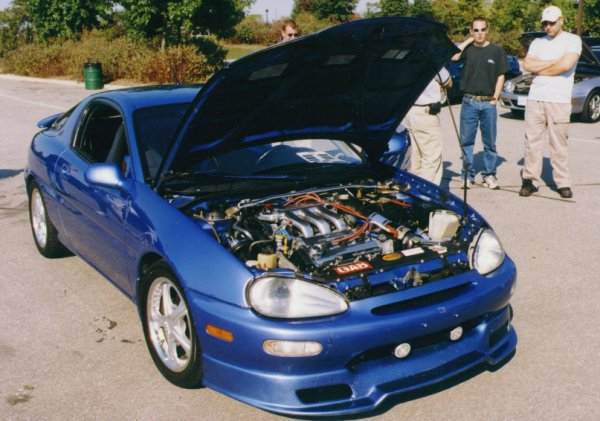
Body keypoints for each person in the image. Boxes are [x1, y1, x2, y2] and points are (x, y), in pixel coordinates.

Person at [519, 5, 581, 199]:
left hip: (559, 100)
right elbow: (527, 64)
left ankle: (562, 182)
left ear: (561, 20)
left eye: (551, 23)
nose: (548, 27)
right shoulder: (538, 42)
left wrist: (540, 69)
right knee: (532, 142)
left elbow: (565, 66)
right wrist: (553, 62)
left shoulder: (573, 40)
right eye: (545, 23)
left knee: (558, 144)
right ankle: (530, 180)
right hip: (535, 98)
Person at [452, 17, 507, 189]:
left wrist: (495, 98)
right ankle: (467, 175)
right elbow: (453, 56)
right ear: (471, 31)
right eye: (476, 30)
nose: (480, 33)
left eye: (483, 29)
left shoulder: (496, 51)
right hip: (469, 101)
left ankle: (489, 175)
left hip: (488, 103)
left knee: (489, 142)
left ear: (487, 30)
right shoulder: (468, 50)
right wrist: (468, 41)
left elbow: (501, 75)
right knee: (466, 141)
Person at [404, 68, 452, 185]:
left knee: (415, 155)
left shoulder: (408, 62)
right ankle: (426, 191)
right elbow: (448, 82)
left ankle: (413, 187)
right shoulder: (434, 62)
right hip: (425, 112)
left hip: (409, 111)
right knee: (431, 156)